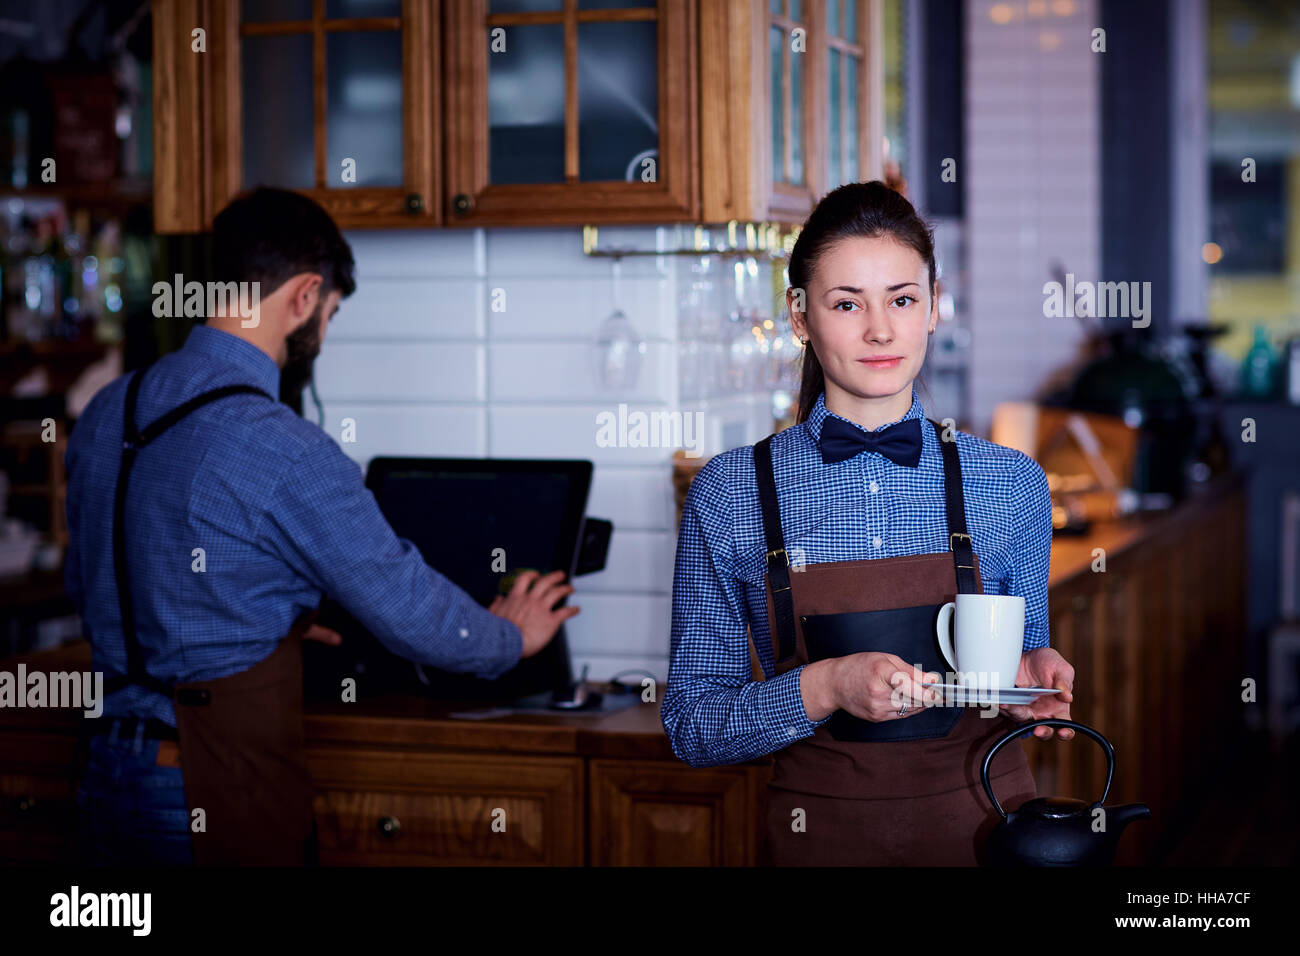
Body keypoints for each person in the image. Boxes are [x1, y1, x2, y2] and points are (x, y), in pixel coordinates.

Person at [65, 187, 579, 865]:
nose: (323, 334)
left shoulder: (108, 409)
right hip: (211, 785)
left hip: (106, 773)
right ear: (305, 296)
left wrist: (263, 610)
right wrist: (511, 637)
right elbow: (406, 608)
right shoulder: (283, 446)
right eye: (331, 312)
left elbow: (98, 578)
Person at [662, 180, 1075, 866]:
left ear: (935, 306)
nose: (880, 330)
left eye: (903, 300)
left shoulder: (1012, 484)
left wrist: (1033, 676)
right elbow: (694, 727)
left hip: (988, 835)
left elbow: (1021, 671)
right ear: (799, 315)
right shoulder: (730, 492)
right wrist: (825, 686)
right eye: (847, 303)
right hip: (817, 841)